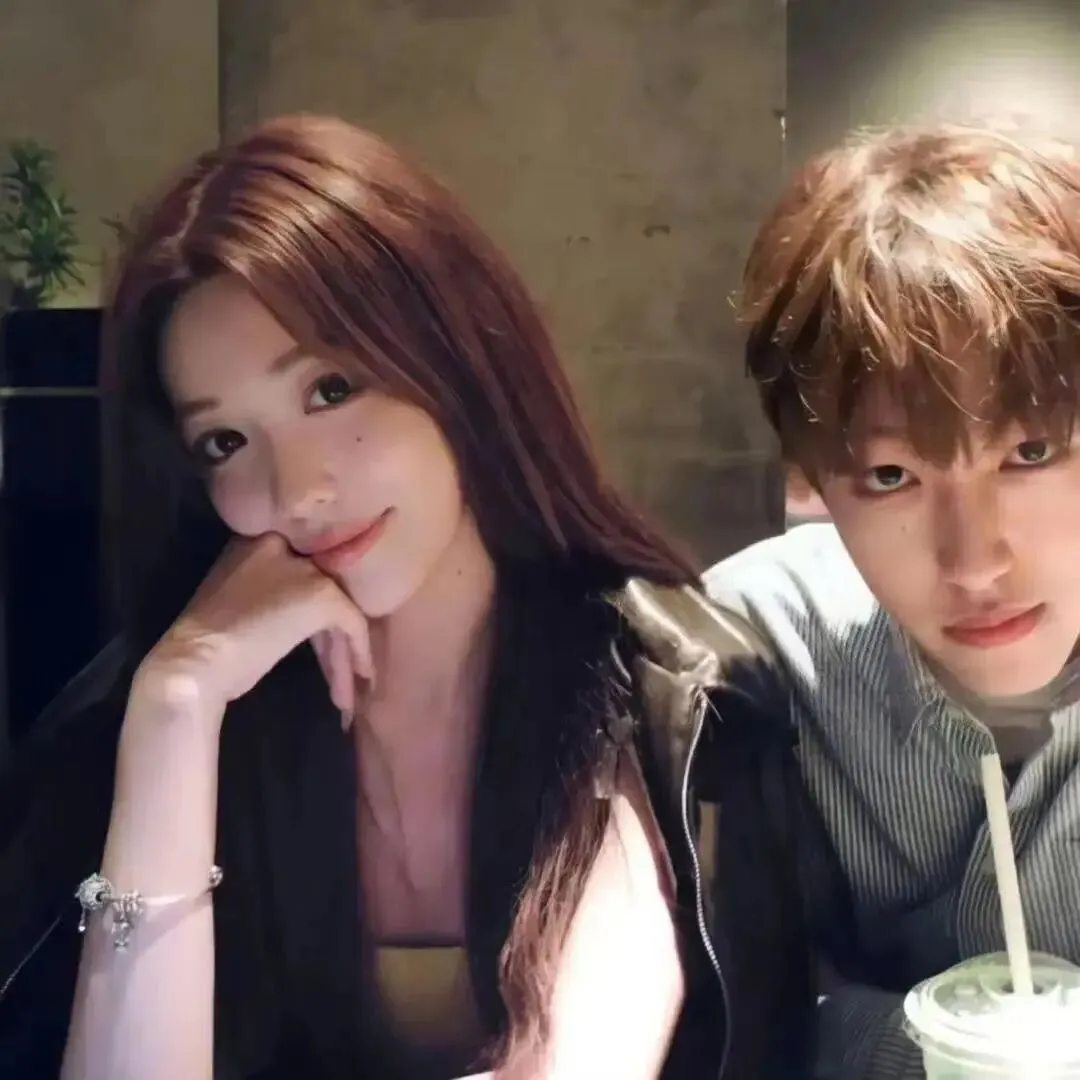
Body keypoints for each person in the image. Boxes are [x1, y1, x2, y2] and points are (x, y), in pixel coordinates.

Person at [0, 114, 816, 1080]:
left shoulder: (651, 689)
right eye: (225, 442)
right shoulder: (167, 712)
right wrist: (177, 709)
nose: (297, 489)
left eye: (331, 389)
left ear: (456, 359)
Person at [704, 124, 1080, 1078]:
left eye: (1030, 452)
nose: (975, 563)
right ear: (810, 483)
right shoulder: (751, 648)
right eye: (889, 476)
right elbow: (736, 1006)